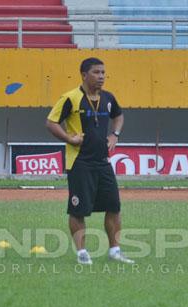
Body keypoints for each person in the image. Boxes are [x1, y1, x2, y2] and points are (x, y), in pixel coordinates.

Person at [46, 57, 134, 265]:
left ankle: (115, 251)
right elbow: (51, 122)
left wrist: (115, 135)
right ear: (84, 75)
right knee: (78, 209)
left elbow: (119, 116)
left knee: (113, 206)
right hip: (80, 162)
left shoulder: (108, 98)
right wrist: (68, 138)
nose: (101, 76)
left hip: (103, 162)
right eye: (96, 72)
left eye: (103, 72)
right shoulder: (70, 98)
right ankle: (82, 253)